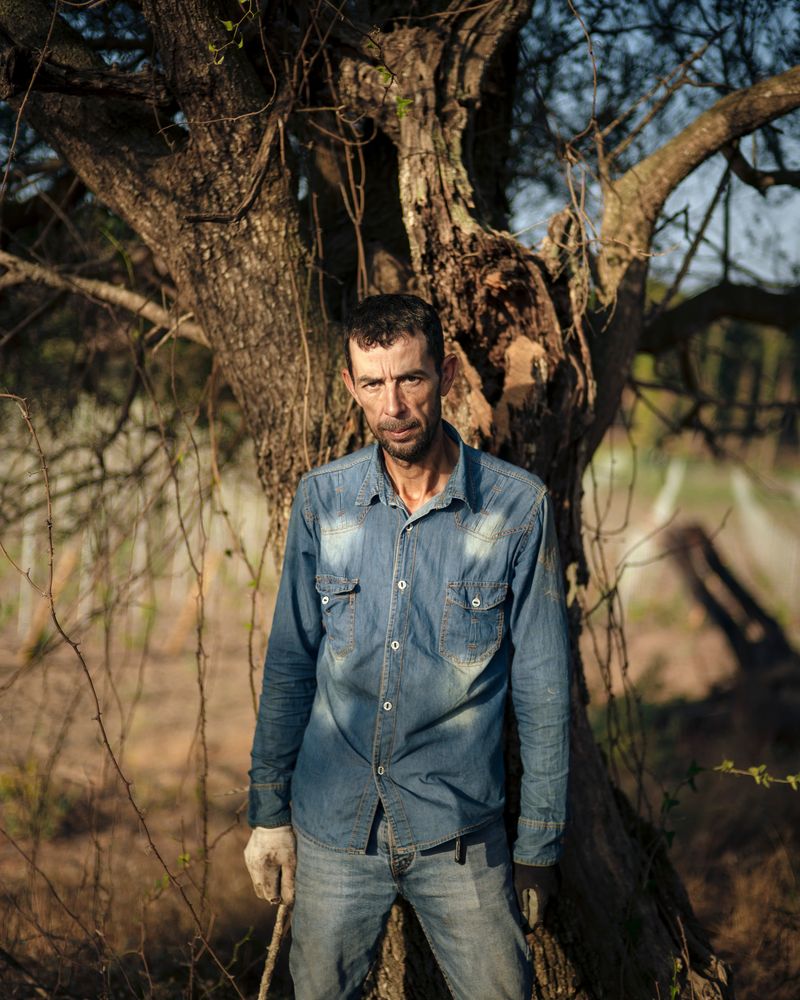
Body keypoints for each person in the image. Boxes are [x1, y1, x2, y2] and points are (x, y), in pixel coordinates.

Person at [244, 294, 571, 999]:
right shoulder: (322, 501)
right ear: (350, 386)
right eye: (372, 383)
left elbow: (543, 688)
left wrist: (539, 844)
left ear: (446, 373)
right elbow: (291, 662)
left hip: (461, 833)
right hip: (335, 828)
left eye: (411, 379)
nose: (392, 405)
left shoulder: (518, 509)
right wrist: (269, 813)